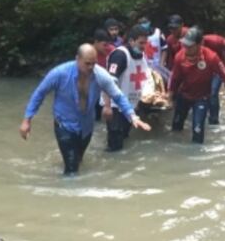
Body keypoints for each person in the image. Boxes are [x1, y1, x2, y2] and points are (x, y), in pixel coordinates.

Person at [20, 44, 151, 175]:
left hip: (86, 126)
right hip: (64, 125)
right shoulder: (59, 73)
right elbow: (39, 94)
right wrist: (27, 120)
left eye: (93, 64)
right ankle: (69, 191)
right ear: (77, 59)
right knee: (71, 170)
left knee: (78, 160)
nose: (90, 68)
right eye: (87, 63)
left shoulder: (100, 75)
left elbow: (118, 95)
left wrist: (132, 116)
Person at [169, 26, 225, 144]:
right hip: (184, 95)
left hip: (202, 98)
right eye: (185, 45)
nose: (186, 48)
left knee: (198, 131)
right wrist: (169, 97)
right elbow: (174, 79)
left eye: (190, 46)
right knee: (175, 128)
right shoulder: (180, 56)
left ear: (200, 44)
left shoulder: (211, 57)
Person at [105, 24, 153, 151]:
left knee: (125, 137)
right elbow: (108, 82)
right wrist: (107, 106)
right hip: (115, 106)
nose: (144, 47)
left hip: (131, 106)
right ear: (131, 41)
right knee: (115, 144)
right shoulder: (120, 56)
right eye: (141, 43)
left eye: (145, 43)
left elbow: (145, 79)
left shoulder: (142, 56)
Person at [92, 28, 115, 122]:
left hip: (105, 85)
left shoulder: (112, 50)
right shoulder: (87, 53)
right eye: (104, 45)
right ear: (96, 42)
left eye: (107, 44)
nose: (106, 47)